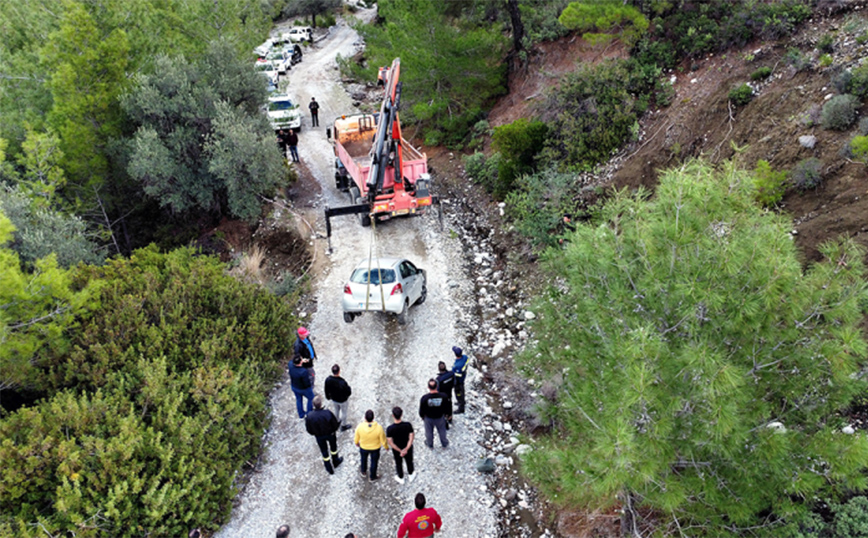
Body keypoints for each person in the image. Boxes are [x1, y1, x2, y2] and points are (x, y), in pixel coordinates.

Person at [305, 395, 344, 474]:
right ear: (321, 404)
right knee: (333, 449)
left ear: (313, 405)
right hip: (330, 434)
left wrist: (315, 433)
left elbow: (309, 429)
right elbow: (335, 424)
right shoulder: (327, 413)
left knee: (324, 452)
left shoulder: (309, 416)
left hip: (319, 436)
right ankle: (336, 461)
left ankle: (329, 468)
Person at [354, 409, 386, 481]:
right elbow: (383, 439)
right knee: (374, 462)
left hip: (363, 447)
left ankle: (363, 471)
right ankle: (372, 476)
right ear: (373, 418)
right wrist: (386, 447)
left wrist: (356, 443)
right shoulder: (379, 428)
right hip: (375, 448)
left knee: (363, 459)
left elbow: (356, 437)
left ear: (365, 418)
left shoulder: (360, 426)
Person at [387, 406, 415, 485]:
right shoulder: (408, 425)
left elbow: (391, 442)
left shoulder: (390, 429)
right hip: (407, 447)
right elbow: (411, 437)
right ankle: (411, 474)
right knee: (409, 461)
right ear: (401, 415)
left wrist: (400, 450)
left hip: (397, 449)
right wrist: (406, 449)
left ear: (393, 416)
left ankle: (401, 477)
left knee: (398, 463)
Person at [419, 379, 451, 449]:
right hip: (440, 417)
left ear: (428, 387)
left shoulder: (424, 398)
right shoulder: (444, 396)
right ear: (437, 386)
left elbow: (421, 410)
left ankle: (430, 444)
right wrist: (448, 414)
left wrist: (422, 416)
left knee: (429, 433)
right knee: (442, 431)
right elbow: (447, 407)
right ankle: (444, 443)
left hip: (428, 418)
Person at [325, 364, 353, 431]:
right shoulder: (342, 382)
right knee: (344, 412)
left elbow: (326, 389)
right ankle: (343, 425)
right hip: (342, 400)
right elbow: (348, 391)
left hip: (334, 399)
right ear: (339, 371)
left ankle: (336, 421)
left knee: (336, 410)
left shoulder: (328, 380)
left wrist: (328, 397)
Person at [434, 362, 455, 429]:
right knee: (450, 406)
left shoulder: (438, 379)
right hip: (449, 394)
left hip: (442, 397)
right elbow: (454, 383)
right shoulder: (451, 374)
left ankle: (445, 424)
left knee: (443, 409)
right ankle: (450, 418)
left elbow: (437, 389)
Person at [451, 347, 469, 414]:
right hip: (463, 377)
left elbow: (456, 374)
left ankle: (461, 407)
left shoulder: (457, 365)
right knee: (462, 390)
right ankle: (462, 401)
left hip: (458, 381)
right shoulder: (465, 357)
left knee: (458, 393)